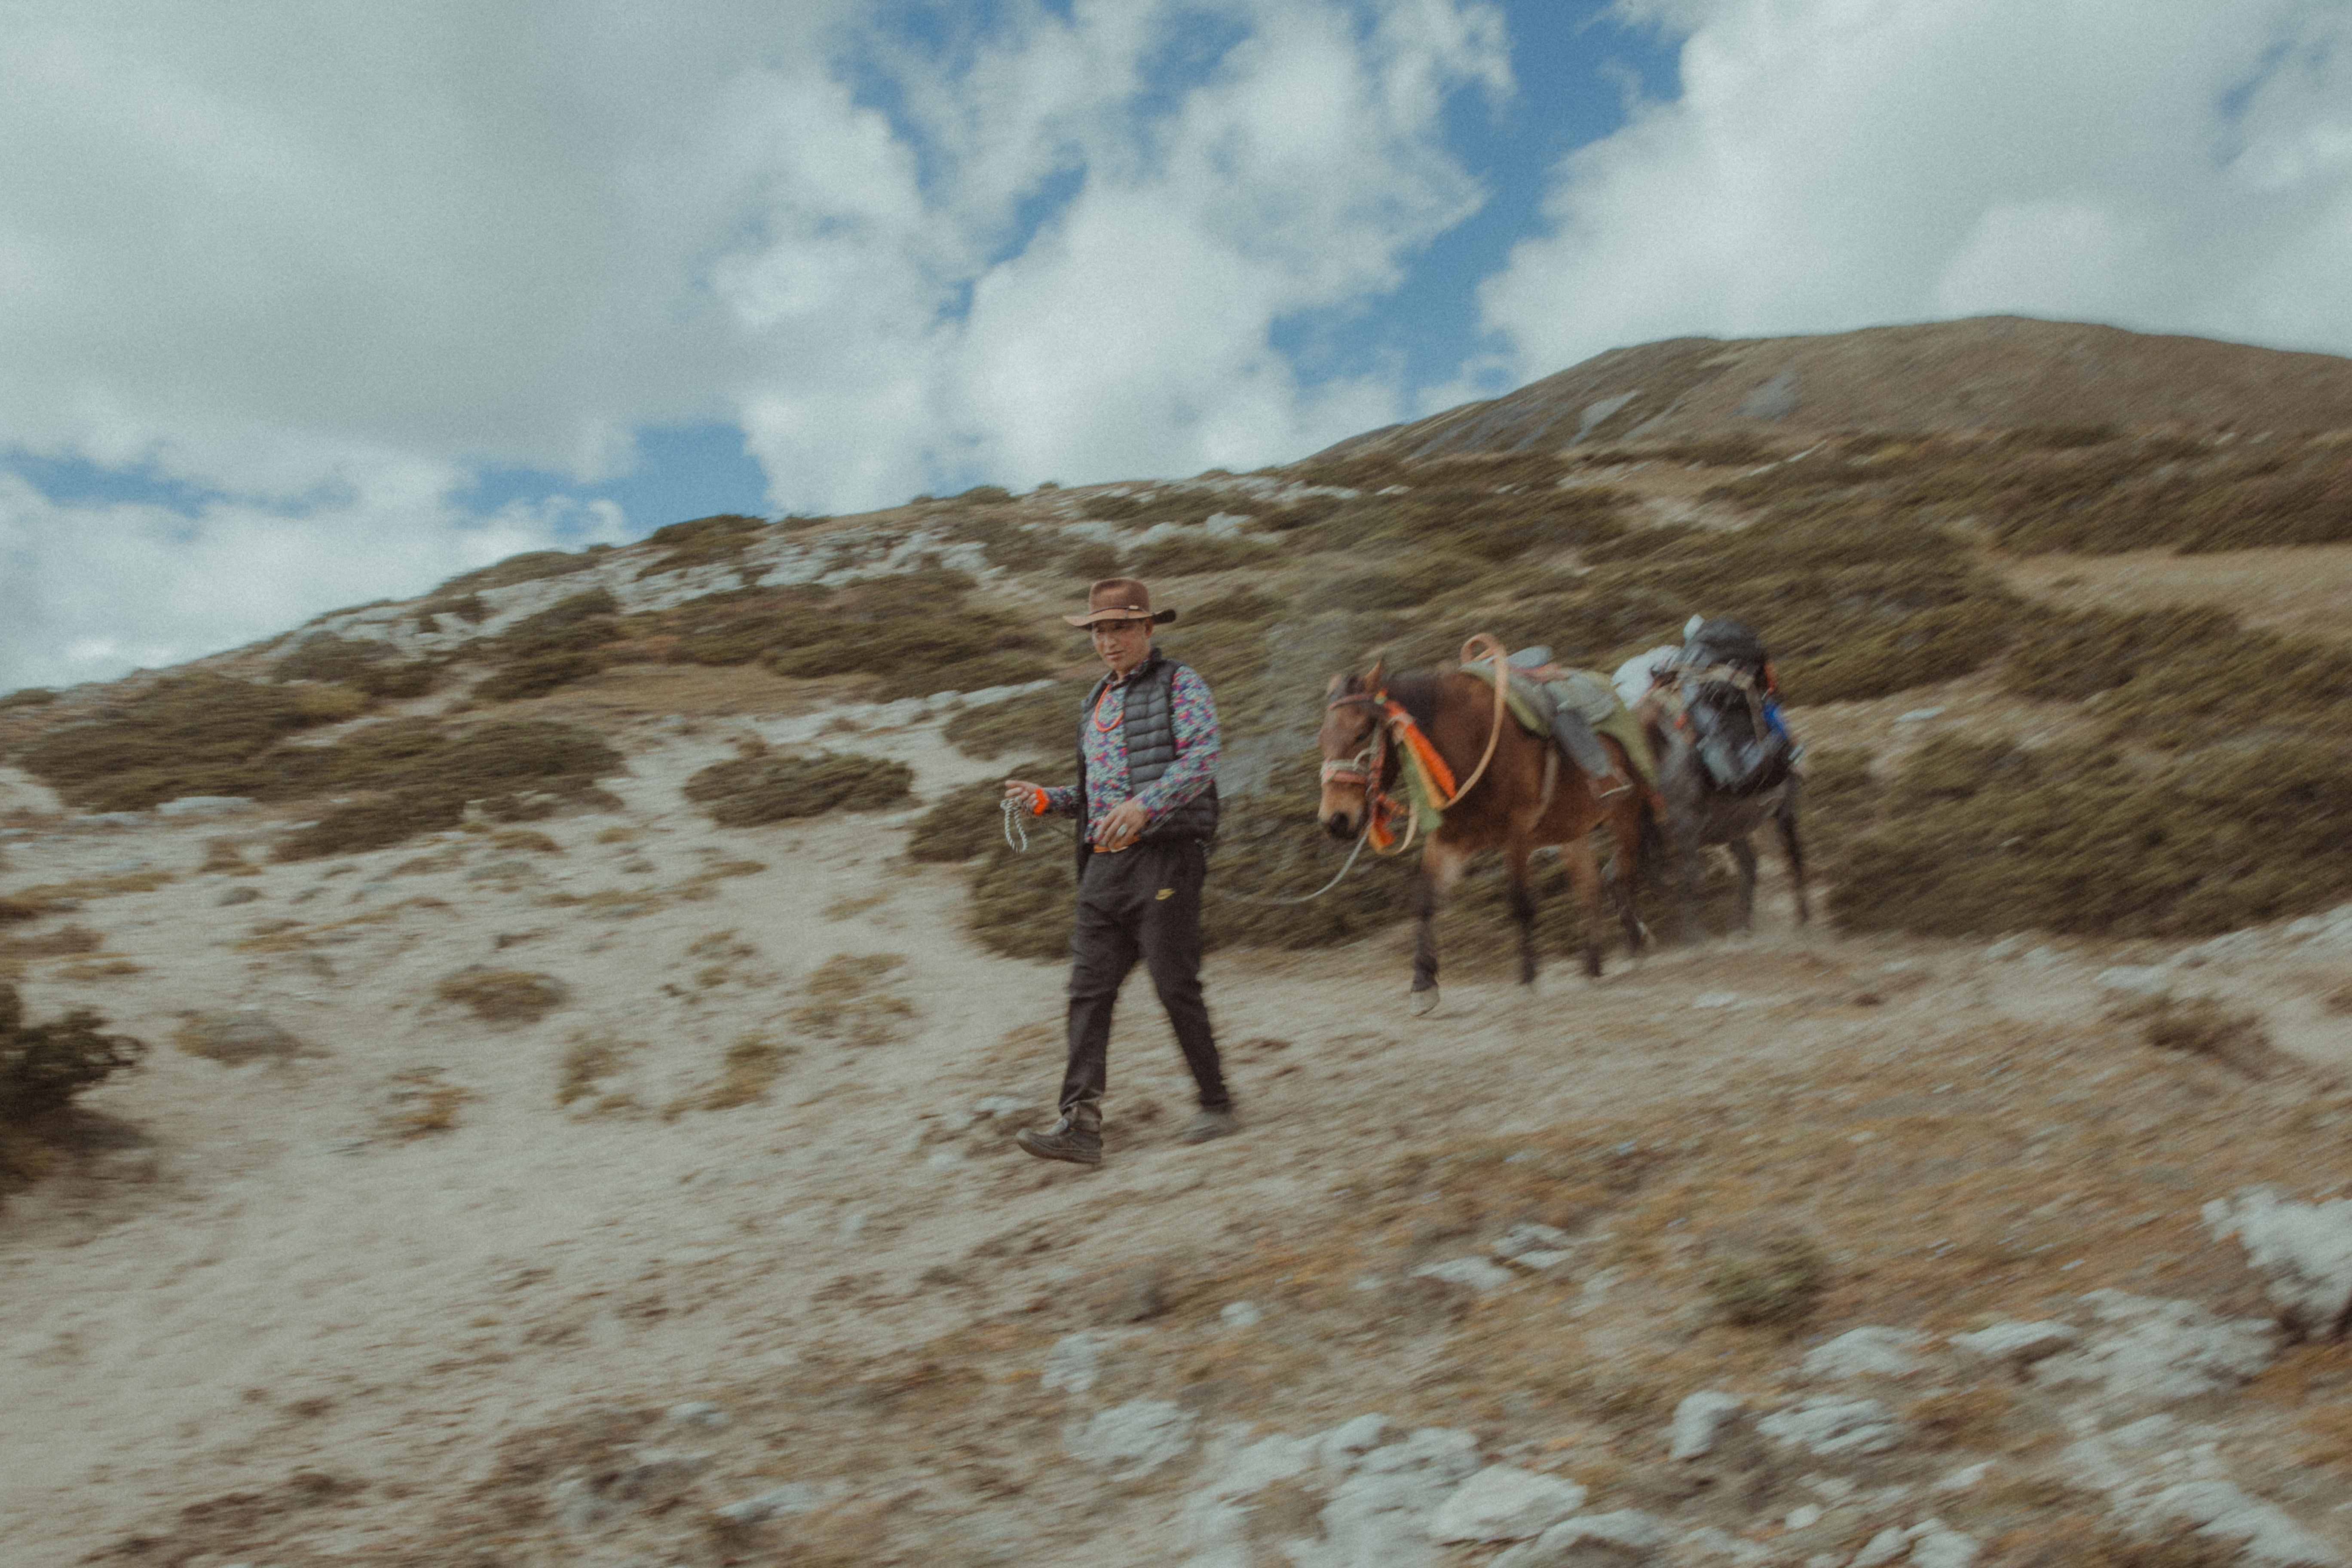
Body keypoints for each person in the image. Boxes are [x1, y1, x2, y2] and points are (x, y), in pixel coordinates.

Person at [1001, 577, 1235, 1167]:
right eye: (1100, 630)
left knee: (1173, 981)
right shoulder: (1095, 703)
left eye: (1121, 627)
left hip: (1166, 855)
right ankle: (1079, 1125)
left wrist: (1144, 806)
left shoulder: (1182, 684)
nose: (1109, 640)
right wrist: (1047, 800)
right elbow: (1094, 792)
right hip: (1103, 868)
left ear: (1148, 629)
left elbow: (1202, 759)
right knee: (1087, 991)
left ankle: (1216, 1102)